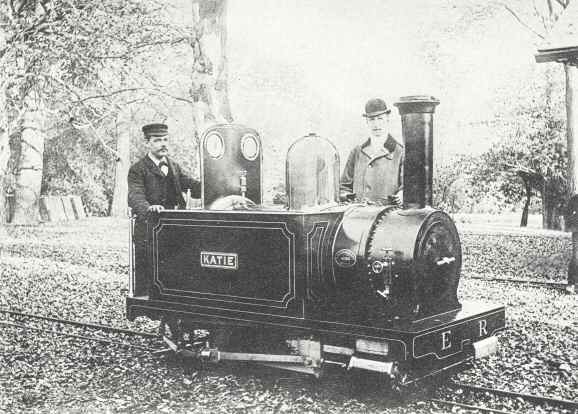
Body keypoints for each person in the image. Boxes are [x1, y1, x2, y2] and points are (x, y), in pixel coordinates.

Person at [127, 123, 201, 296]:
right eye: (158, 140)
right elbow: (135, 196)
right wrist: (149, 208)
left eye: (165, 139)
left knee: (177, 272)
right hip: (149, 230)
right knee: (151, 279)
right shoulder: (137, 170)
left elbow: (190, 185)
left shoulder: (174, 166)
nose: (163, 144)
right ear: (147, 143)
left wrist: (214, 185)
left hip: (174, 229)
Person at [340, 98, 403, 204]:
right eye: (372, 119)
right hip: (358, 216)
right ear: (367, 121)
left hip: (387, 217)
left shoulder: (400, 152)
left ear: (387, 118)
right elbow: (344, 186)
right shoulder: (357, 152)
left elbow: (407, 187)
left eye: (380, 118)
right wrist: (346, 196)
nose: (376, 124)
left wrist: (402, 194)